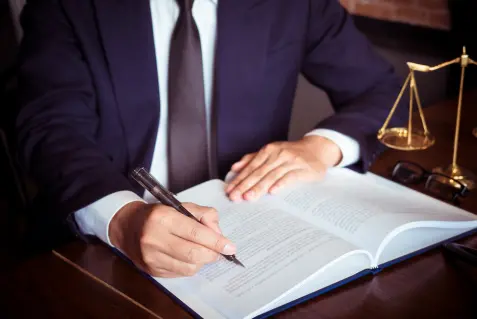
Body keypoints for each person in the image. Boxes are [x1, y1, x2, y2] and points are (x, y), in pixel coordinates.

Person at [15, 0, 406, 278]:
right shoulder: (65, 6)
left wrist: (322, 147)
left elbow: (387, 92)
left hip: (251, 229)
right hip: (93, 247)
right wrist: (121, 219)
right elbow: (50, 126)